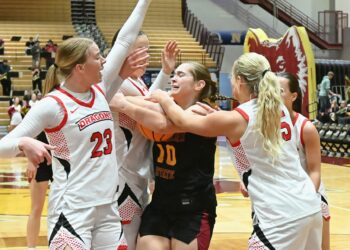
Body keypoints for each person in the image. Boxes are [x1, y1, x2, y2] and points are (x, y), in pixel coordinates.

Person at [0, 0, 151, 249]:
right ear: (80, 67)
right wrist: (22, 141)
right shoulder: (53, 105)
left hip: (107, 208)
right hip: (72, 211)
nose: (104, 61)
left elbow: (125, 40)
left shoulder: (101, 91)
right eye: (97, 57)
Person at [143, 53, 322, 249]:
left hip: (280, 214)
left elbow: (183, 121)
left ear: (239, 80)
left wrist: (163, 97)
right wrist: (221, 118)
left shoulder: (238, 118)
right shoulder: (278, 108)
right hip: (309, 206)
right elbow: (250, 133)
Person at [110, 61, 218, 250]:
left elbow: (166, 125)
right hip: (160, 204)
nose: (174, 78)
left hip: (193, 209)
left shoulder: (204, 112)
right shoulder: (165, 107)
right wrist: (129, 101)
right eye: (174, 74)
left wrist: (129, 104)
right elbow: (143, 101)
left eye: (182, 75)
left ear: (199, 85)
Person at [110, 30, 179, 250]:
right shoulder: (115, 81)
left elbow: (151, 98)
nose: (145, 54)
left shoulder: (135, 81)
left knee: (132, 236)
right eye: (139, 49)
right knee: (124, 240)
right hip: (122, 174)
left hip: (137, 172)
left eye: (147, 49)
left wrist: (166, 71)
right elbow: (156, 106)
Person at [278, 72, 330, 250]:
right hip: (280, 196)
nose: (274, 95)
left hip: (309, 195)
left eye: (280, 91)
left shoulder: (306, 127)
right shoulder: (266, 124)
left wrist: (305, 198)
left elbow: (315, 171)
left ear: (293, 96)